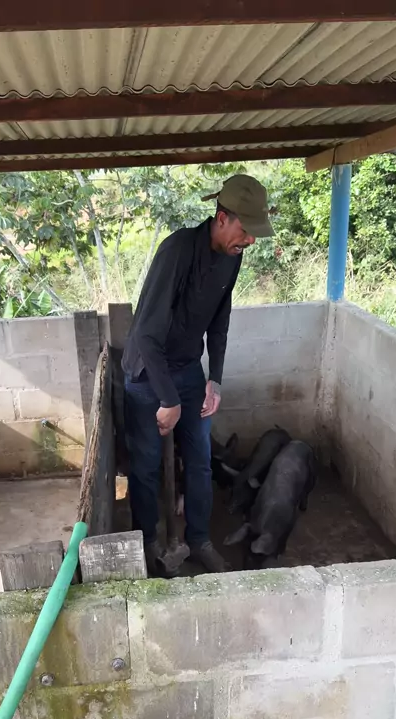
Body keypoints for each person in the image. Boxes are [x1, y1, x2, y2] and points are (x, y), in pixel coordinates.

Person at [122, 174, 273, 576]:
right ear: (222, 218)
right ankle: (148, 544)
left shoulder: (233, 255)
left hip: (188, 368)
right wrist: (167, 399)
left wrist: (214, 379)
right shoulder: (176, 251)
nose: (250, 240)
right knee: (146, 464)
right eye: (245, 230)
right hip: (147, 373)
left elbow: (219, 320)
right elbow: (146, 334)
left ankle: (199, 539)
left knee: (200, 459)